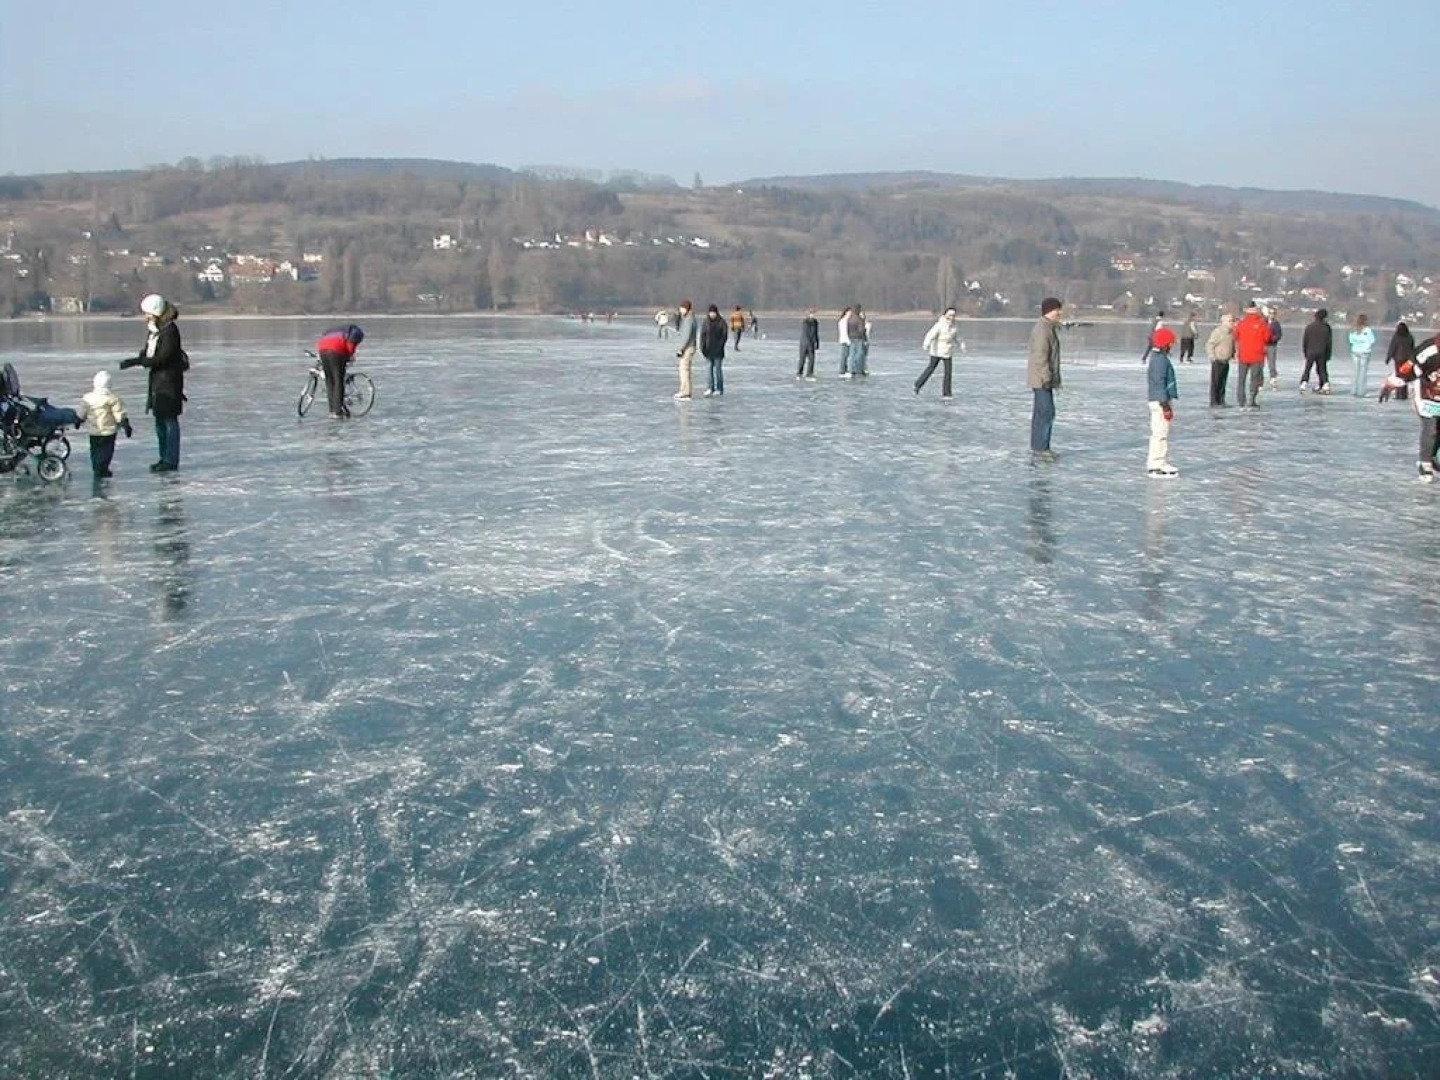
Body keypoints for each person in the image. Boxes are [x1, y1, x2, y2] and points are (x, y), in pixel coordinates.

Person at [119, 293, 187, 472]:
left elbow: (162, 358)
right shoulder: (155, 331)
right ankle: (163, 457)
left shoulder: (170, 331)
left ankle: (170, 460)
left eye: (148, 313)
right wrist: (136, 360)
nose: (145, 317)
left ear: (156, 312)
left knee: (169, 421)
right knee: (160, 422)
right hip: (158, 381)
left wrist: (139, 362)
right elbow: (148, 353)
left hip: (169, 382)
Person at [1380, 333, 1440, 481]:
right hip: (1427, 395)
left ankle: (1431, 456)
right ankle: (1425, 463)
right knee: (1431, 428)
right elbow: (1409, 367)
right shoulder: (1430, 350)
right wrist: (1392, 383)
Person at [75, 370, 132, 478]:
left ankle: (97, 467)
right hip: (109, 431)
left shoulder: (88, 398)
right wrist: (126, 425)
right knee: (107, 451)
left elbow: (82, 412)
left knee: (95, 450)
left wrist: (78, 420)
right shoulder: (113, 399)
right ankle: (103, 468)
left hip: (94, 431)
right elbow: (119, 414)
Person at [1027, 297, 1063, 461]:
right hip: (1041, 379)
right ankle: (1041, 448)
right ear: (1050, 310)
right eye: (1057, 310)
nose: (1060, 313)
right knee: (1046, 413)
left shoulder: (1048, 327)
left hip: (1042, 378)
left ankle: (1039, 446)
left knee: (1043, 412)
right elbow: (1040, 356)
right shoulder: (1043, 330)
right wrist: (1047, 377)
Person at [1145, 327, 1179, 478]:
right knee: (1160, 433)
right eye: (1170, 344)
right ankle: (1156, 465)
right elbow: (1159, 383)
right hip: (1160, 401)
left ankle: (1158, 462)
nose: (1171, 346)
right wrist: (1165, 405)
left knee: (1160, 433)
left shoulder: (1157, 357)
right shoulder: (1160, 360)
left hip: (1158, 399)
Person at [315, 324, 365, 418]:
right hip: (336, 351)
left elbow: (322, 341)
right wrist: (349, 357)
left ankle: (332, 409)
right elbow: (350, 348)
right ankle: (338, 411)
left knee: (329, 380)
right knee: (338, 380)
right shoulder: (355, 333)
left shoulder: (335, 330)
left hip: (322, 350)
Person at [915, 307, 961, 397]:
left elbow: (956, 337)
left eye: (953, 315)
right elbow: (930, 335)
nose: (951, 317)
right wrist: (926, 344)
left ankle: (947, 393)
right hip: (936, 351)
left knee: (948, 373)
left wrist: (961, 344)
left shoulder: (954, 326)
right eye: (950, 315)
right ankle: (918, 385)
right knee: (930, 368)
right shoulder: (939, 325)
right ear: (945, 315)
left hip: (947, 352)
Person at [1233, 302, 1269, 407]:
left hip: (1243, 355)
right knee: (1254, 379)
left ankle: (1241, 400)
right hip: (1257, 356)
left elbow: (1235, 335)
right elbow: (1267, 338)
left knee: (1241, 379)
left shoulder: (1241, 323)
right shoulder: (1262, 324)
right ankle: (1252, 400)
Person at [1206, 312, 1236, 406]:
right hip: (1217, 360)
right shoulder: (1218, 332)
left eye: (1233, 321)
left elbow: (1232, 345)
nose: (1232, 323)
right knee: (1216, 383)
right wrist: (1212, 357)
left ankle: (1221, 400)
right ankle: (1214, 402)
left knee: (1223, 383)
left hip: (1226, 361)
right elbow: (1210, 344)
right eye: (1230, 321)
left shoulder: (1231, 333)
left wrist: (1233, 355)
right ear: (1224, 322)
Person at [1380, 321, 1414, 403]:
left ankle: (1399, 394)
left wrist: (1388, 358)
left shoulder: (1396, 336)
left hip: (1398, 359)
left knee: (1399, 376)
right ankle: (1404, 394)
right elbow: (1412, 348)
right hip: (1407, 359)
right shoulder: (1410, 337)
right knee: (1405, 376)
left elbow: (1392, 347)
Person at [1300, 308, 1333, 393]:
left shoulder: (1310, 327)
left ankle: (1304, 383)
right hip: (1322, 351)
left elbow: (1305, 341)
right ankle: (1325, 384)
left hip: (1310, 351)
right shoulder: (1326, 327)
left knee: (1307, 368)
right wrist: (1328, 354)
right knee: (1322, 369)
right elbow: (1329, 342)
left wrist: (1305, 352)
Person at [700, 304, 727, 396]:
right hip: (708, 350)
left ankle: (719, 388)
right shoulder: (706, 322)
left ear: (716, 313)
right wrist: (702, 348)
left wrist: (720, 346)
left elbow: (724, 336)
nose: (712, 314)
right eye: (711, 312)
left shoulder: (721, 322)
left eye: (714, 312)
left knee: (718, 370)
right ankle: (710, 388)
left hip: (718, 351)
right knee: (709, 370)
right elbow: (703, 336)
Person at [1347, 313, 1376, 398]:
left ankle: (1353, 390)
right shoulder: (1368, 330)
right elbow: (1372, 340)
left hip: (1355, 351)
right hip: (1365, 352)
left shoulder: (1353, 330)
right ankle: (1361, 391)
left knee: (1355, 372)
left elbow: (1351, 340)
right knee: (1363, 372)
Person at [674, 300, 697, 399]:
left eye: (682, 308)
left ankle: (685, 392)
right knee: (685, 370)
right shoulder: (687, 318)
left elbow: (686, 336)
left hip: (688, 347)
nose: (680, 310)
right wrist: (677, 320)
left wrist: (681, 349)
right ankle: (685, 390)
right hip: (689, 347)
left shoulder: (689, 319)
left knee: (684, 370)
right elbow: (680, 330)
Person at [797, 309, 820, 379]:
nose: (813, 315)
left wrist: (817, 342)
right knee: (802, 359)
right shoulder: (805, 322)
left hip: (812, 343)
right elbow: (806, 333)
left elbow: (816, 333)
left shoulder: (815, 322)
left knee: (812, 359)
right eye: (811, 314)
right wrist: (809, 343)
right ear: (808, 314)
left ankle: (809, 373)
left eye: (814, 313)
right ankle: (799, 373)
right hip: (804, 344)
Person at [847, 305, 869, 377]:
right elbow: (861, 330)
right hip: (859, 338)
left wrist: (849, 336)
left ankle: (851, 369)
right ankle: (858, 369)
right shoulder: (859, 319)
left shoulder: (850, 319)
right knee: (859, 354)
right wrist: (864, 336)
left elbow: (847, 329)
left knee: (852, 354)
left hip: (851, 338)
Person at [1264, 306, 1283, 389]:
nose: (1272, 315)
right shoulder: (1263, 322)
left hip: (1271, 346)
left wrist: (1273, 339)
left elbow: (1279, 335)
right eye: (1270, 313)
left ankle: (1273, 378)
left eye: (1273, 313)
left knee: (1271, 363)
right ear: (1268, 314)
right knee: (1259, 364)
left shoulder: (1276, 324)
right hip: (1262, 345)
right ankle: (1259, 380)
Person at [837, 307, 852, 377]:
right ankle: (842, 371)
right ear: (846, 312)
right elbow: (845, 332)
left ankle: (845, 369)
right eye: (849, 312)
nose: (850, 313)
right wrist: (848, 341)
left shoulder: (844, 320)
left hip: (845, 340)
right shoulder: (844, 321)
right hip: (845, 340)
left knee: (846, 355)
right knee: (844, 356)